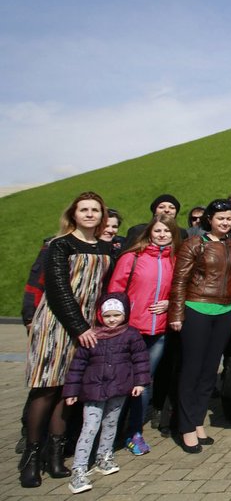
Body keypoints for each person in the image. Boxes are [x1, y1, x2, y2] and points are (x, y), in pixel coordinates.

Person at [21, 192, 114, 488]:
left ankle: (55, 456)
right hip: (56, 324)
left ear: (102, 216)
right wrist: (79, 326)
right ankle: (31, 458)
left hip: (87, 326)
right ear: (73, 214)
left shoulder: (106, 247)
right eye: (83, 210)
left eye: (95, 210)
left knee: (68, 390)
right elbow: (58, 288)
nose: (89, 214)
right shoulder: (59, 245)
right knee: (45, 388)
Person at [168, 198, 231, 454]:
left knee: (211, 370)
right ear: (209, 219)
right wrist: (176, 314)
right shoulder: (194, 244)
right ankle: (185, 426)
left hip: (224, 311)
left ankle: (198, 421)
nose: (225, 222)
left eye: (229, 218)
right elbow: (180, 281)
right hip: (197, 308)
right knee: (192, 369)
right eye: (220, 218)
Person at [106, 215, 181, 456]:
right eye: (158, 230)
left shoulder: (175, 259)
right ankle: (111, 431)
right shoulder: (132, 257)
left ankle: (133, 432)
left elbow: (180, 289)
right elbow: (115, 290)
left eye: (167, 231)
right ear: (150, 232)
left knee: (143, 381)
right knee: (119, 380)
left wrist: (170, 303)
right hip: (130, 329)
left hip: (158, 330)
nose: (162, 235)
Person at [63, 294, 149, 494]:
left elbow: (141, 361)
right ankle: (79, 468)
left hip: (119, 388)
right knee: (90, 427)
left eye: (116, 315)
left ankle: (104, 456)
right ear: (100, 316)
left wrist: (140, 382)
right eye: (107, 315)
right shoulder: (92, 335)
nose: (112, 320)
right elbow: (77, 366)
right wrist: (71, 391)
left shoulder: (131, 335)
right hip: (93, 390)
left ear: (124, 314)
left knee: (111, 424)